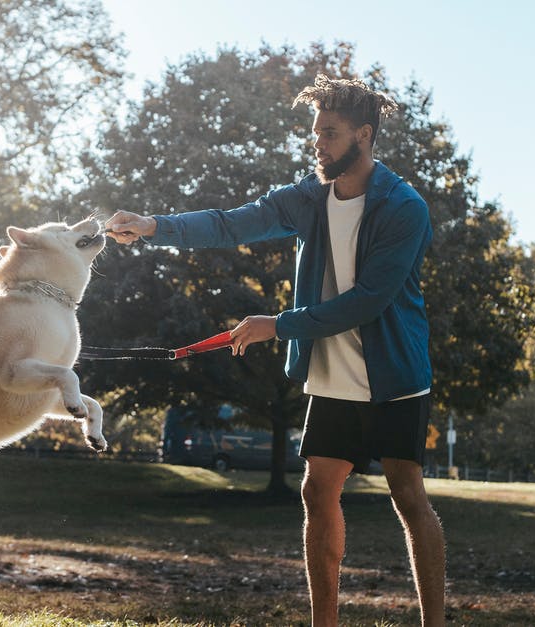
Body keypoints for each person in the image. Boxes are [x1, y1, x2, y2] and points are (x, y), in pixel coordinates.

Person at [105, 74, 445, 627]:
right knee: (317, 490)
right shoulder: (308, 198)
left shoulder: (404, 207)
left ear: (364, 134)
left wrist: (277, 325)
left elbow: (368, 302)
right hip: (332, 376)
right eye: (316, 133)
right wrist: (152, 226)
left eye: (330, 134)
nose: (318, 143)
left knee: (408, 496)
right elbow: (231, 223)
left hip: (394, 375)